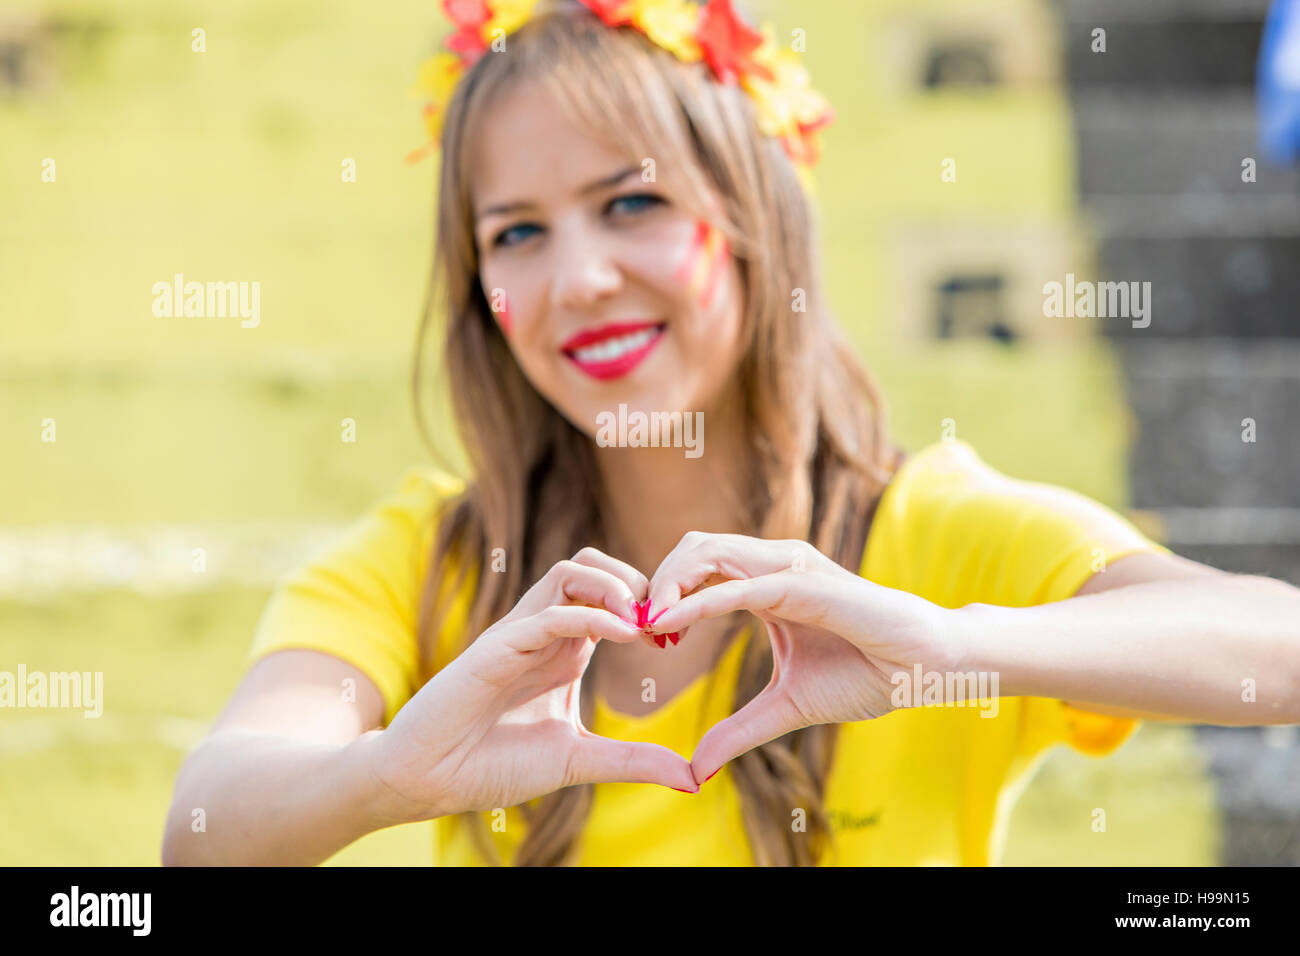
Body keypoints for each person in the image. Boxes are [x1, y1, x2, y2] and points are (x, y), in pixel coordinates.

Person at [161, 0, 1300, 867]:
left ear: (756, 220)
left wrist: (955, 648)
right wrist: (386, 773)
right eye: (515, 234)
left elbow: (1276, 649)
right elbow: (205, 826)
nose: (578, 279)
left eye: (633, 202)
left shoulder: (930, 530)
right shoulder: (430, 557)